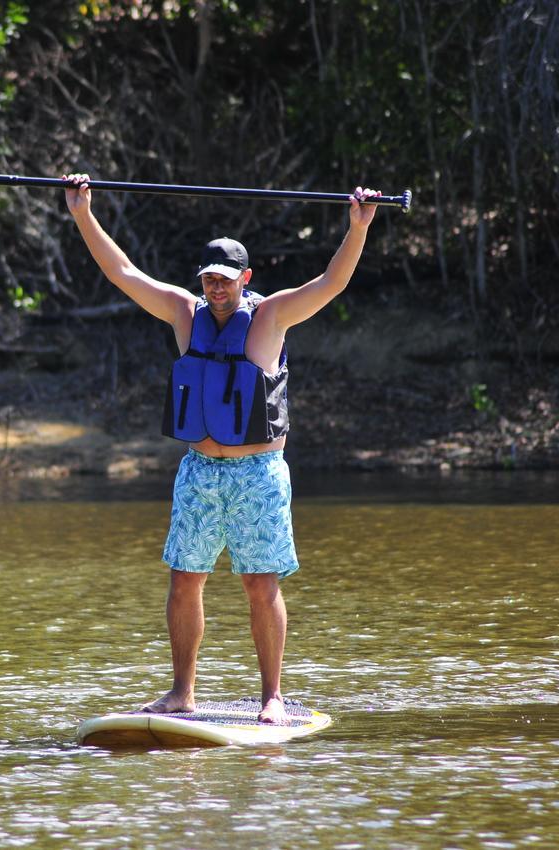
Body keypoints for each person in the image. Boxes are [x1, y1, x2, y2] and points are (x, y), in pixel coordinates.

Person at [63, 172, 381, 724]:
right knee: (184, 580)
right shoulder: (185, 313)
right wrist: (82, 213)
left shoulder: (272, 316)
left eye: (226, 281)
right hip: (200, 472)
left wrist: (356, 228)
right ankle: (182, 692)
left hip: (257, 473)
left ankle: (272, 698)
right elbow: (122, 273)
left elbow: (330, 284)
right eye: (209, 279)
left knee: (261, 584)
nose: (216, 289)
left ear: (245, 278)